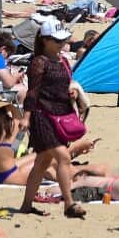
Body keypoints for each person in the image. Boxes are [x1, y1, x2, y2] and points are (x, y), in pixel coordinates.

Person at [18, 27, 85, 219]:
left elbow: (64, 85)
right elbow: (33, 92)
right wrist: (26, 117)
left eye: (63, 40)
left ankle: (25, 206)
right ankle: (69, 205)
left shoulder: (63, 60)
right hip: (42, 115)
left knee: (42, 162)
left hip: (60, 115)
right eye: (57, 41)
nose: (62, 44)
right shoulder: (39, 62)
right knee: (63, 157)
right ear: (45, 40)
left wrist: (71, 93)